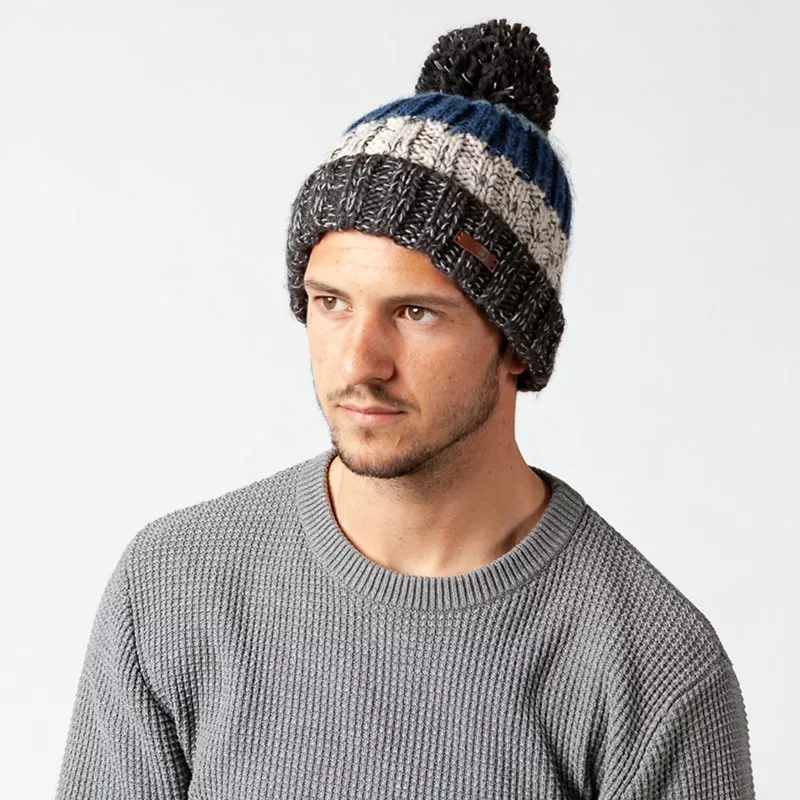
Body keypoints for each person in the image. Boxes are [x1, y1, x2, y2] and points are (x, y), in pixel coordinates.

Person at [55, 18, 756, 799]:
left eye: (416, 313)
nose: (359, 363)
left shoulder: (655, 669)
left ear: (515, 342)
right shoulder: (172, 588)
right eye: (331, 303)